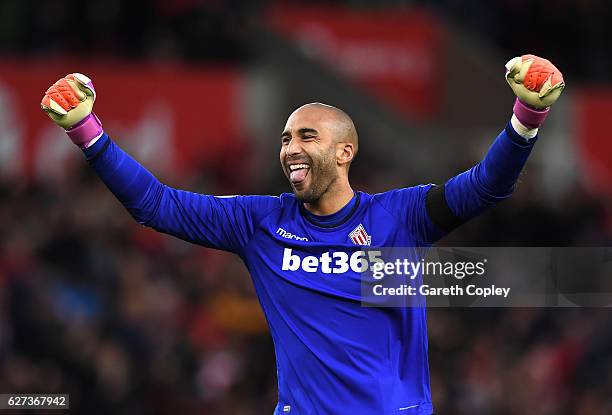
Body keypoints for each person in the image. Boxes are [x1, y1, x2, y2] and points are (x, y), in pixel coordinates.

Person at [40, 55, 564, 415]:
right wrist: (88, 133)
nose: (290, 147)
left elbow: (484, 188)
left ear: (344, 152)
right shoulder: (260, 224)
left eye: (306, 136)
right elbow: (156, 204)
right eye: (286, 137)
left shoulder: (400, 217)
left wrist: (526, 118)